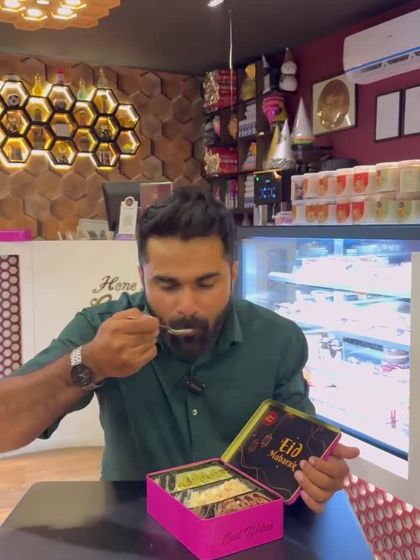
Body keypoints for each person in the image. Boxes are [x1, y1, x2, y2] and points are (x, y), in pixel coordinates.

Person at [0, 186, 359, 513]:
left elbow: (301, 452)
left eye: (206, 284)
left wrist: (318, 473)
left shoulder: (278, 339)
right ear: (142, 278)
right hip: (132, 523)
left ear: (233, 274)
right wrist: (90, 362)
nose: (187, 306)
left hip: (244, 524)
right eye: (167, 285)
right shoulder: (102, 328)